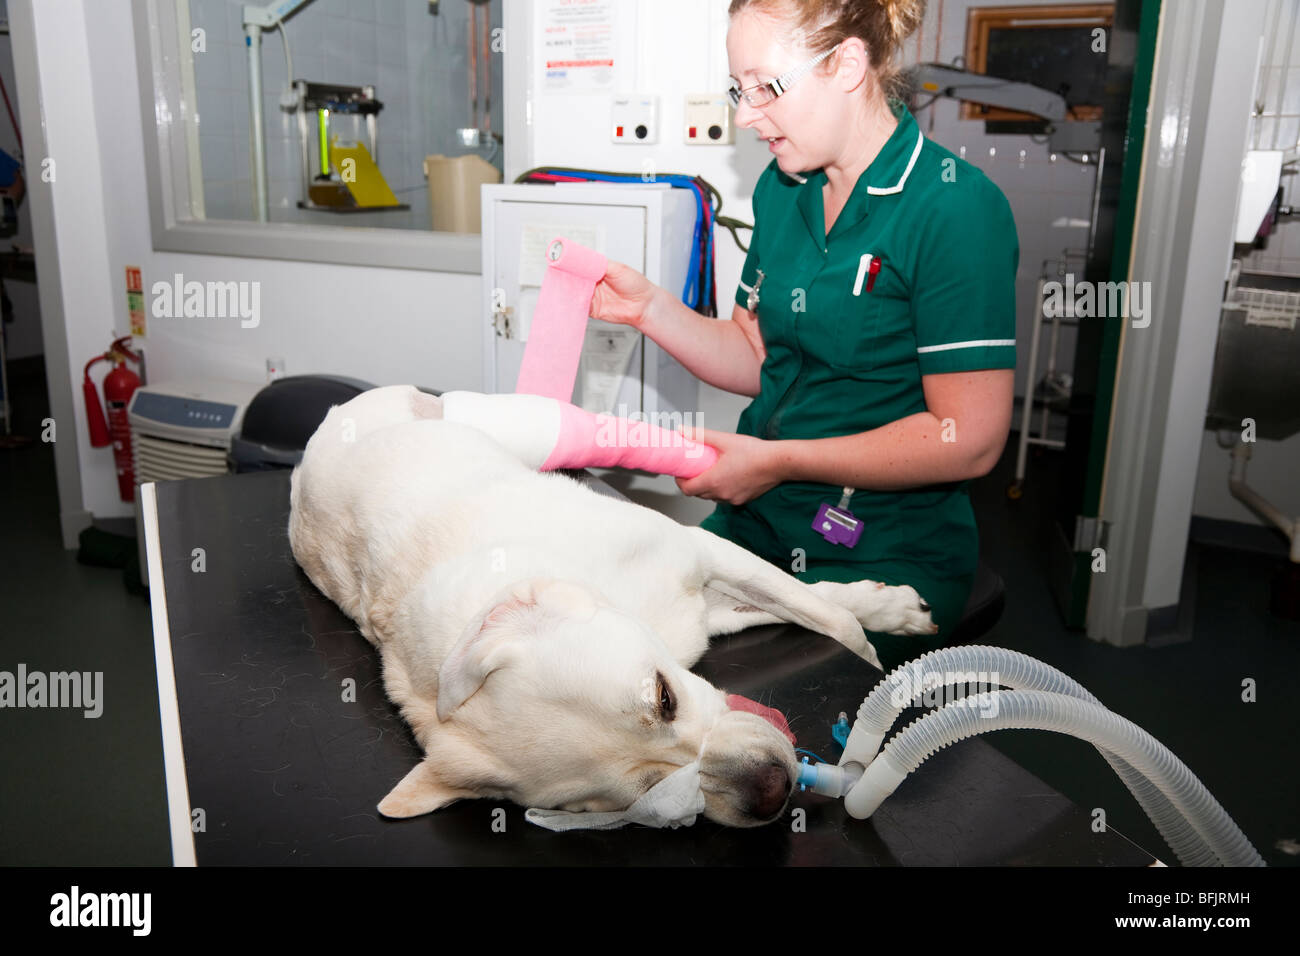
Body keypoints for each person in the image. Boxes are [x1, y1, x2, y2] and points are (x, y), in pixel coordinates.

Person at [588, 0, 1017, 672]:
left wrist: (779, 460)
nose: (744, 114)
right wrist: (652, 311)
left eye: (764, 87)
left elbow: (970, 441)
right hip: (763, 519)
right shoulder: (784, 189)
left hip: (880, 551)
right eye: (738, 90)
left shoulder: (955, 208)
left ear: (847, 63)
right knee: (623, 649)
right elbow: (760, 357)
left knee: (751, 709)